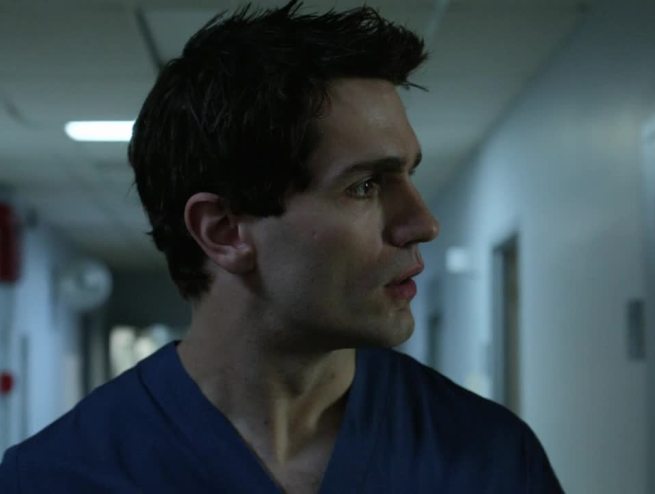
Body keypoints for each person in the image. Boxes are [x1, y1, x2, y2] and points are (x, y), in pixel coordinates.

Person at [0, 2, 562, 492]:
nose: (423, 224)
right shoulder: (56, 477)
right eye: (365, 186)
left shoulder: (489, 458)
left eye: (409, 175)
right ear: (225, 231)